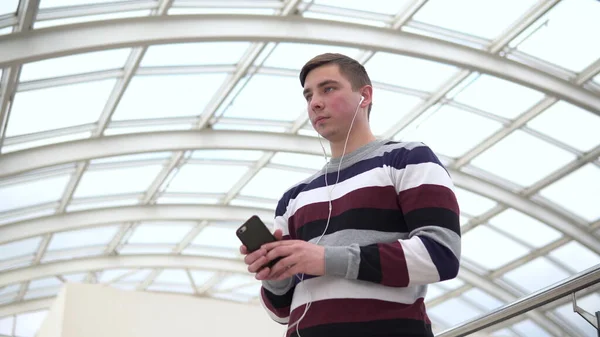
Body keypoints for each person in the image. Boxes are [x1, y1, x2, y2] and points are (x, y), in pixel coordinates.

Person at [239, 53, 461, 337]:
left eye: (328, 89)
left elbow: (440, 254)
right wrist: (275, 278)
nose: (315, 103)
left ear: (364, 96)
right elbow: (281, 312)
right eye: (308, 96)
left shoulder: (407, 159)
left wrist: (325, 259)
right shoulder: (293, 197)